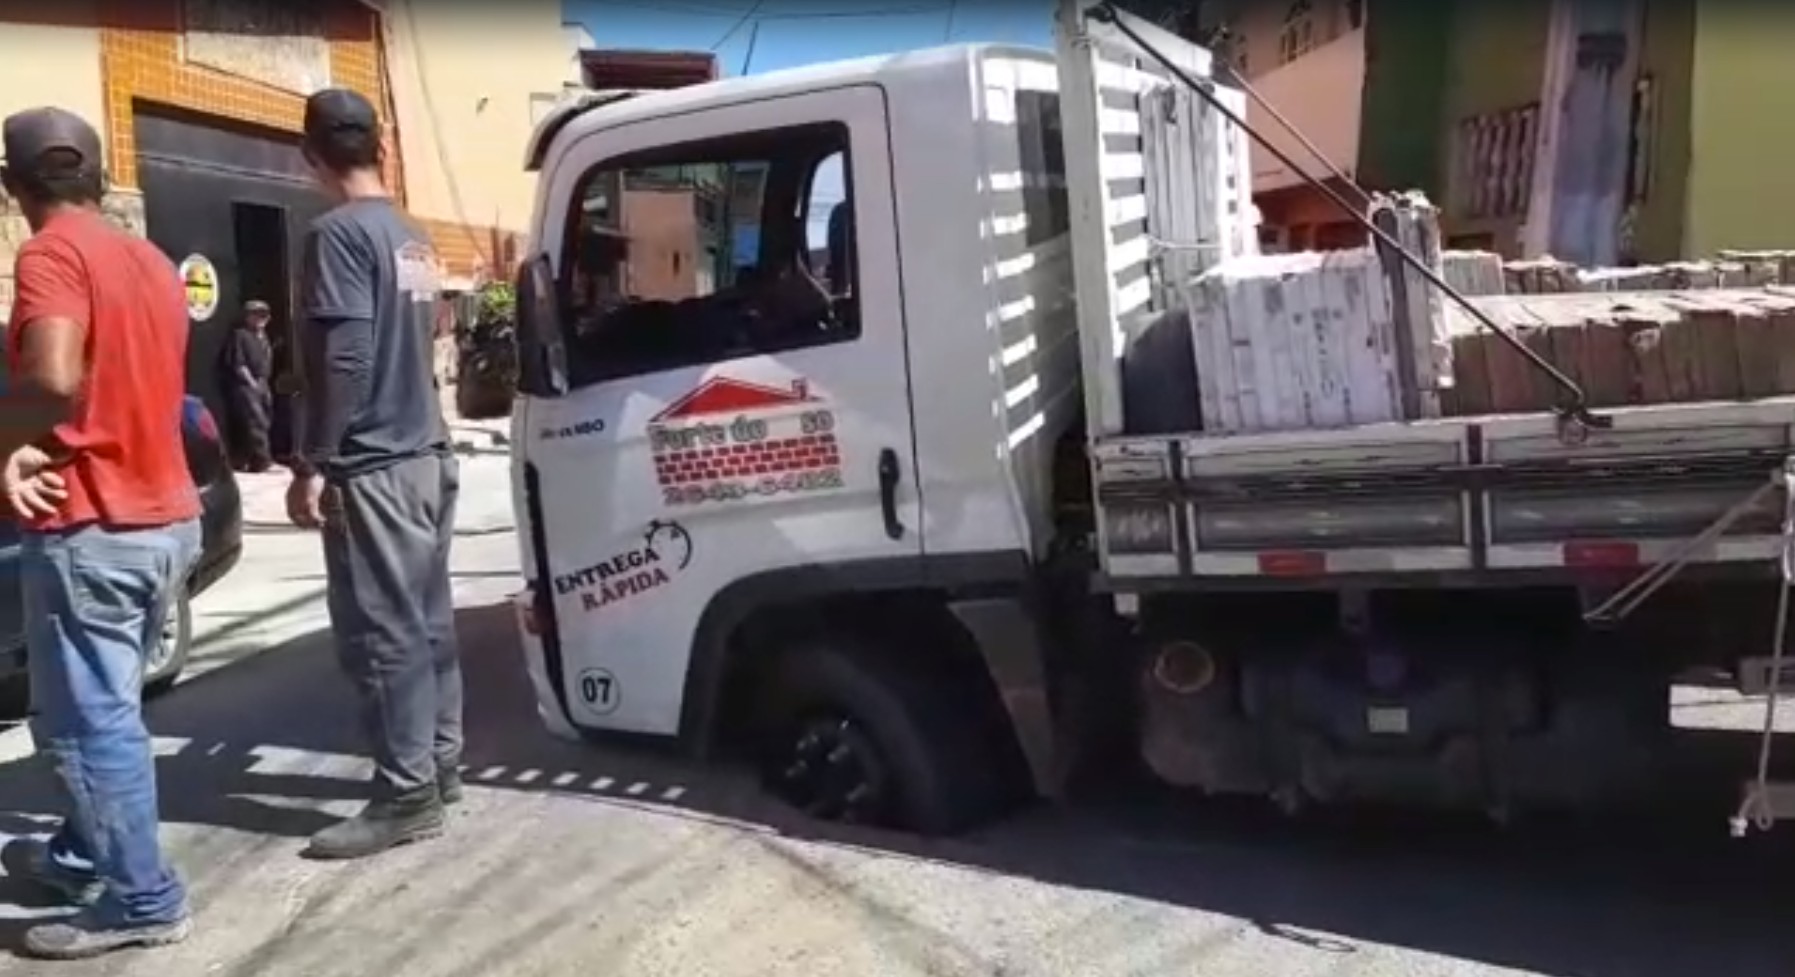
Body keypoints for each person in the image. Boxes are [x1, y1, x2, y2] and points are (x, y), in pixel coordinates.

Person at [0, 107, 200, 959]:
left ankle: (141, 896)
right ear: (97, 174)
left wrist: (4, 442)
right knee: (90, 710)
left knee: (90, 724)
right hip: (165, 518)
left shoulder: (51, 252)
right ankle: (85, 849)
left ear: (11, 184)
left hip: (94, 521)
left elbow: (51, 374)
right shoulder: (150, 260)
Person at [289, 87, 462, 860]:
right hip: (427, 452)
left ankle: (406, 795)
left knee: (385, 634)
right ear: (380, 147)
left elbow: (348, 354)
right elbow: (430, 334)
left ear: (311, 156)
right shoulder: (412, 237)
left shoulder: (336, 236)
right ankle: (440, 763)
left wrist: (316, 461)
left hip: (377, 463)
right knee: (426, 622)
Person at [220, 299, 275, 472]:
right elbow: (239, 364)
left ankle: (251, 459)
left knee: (265, 420)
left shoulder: (264, 336)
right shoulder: (240, 335)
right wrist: (252, 383)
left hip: (263, 382)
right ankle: (262, 461)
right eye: (257, 315)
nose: (261, 318)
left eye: (264, 315)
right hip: (247, 385)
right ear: (248, 316)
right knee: (255, 422)